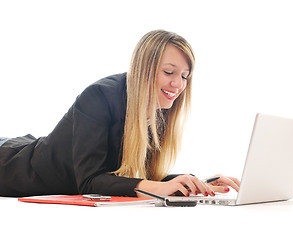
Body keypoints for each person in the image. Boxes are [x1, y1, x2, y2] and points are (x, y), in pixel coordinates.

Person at [0, 30, 240, 198]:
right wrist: (159, 186)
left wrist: (197, 182)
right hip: (12, 167)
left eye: (185, 76)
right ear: (143, 68)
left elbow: (147, 178)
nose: (178, 84)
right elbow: (89, 181)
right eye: (169, 72)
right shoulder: (98, 96)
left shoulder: (159, 107)